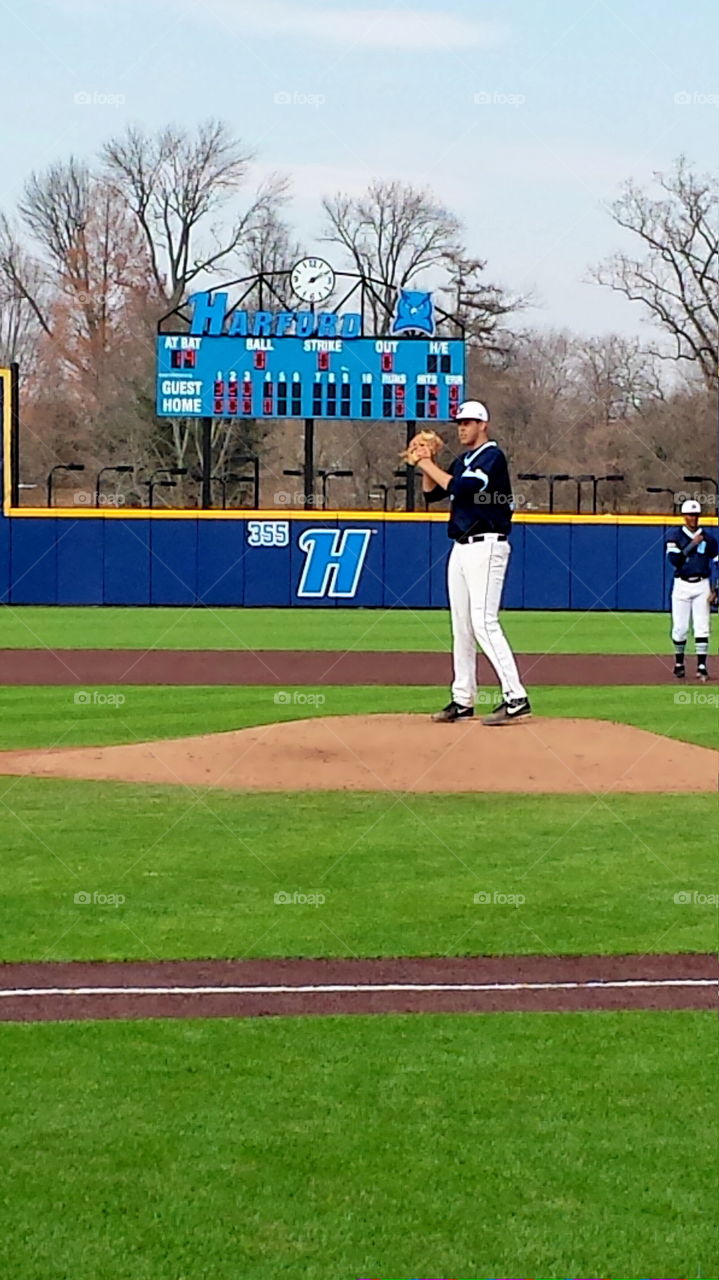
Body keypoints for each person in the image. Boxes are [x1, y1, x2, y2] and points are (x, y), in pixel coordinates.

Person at [413, 399, 531, 725]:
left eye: (467, 422)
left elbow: (462, 488)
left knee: (483, 622)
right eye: (459, 423)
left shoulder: (491, 456)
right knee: (461, 626)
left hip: (488, 545)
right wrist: (430, 462)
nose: (462, 427)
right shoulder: (463, 459)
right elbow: (432, 494)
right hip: (461, 547)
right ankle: (463, 699)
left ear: (483, 425)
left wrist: (425, 462)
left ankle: (516, 696)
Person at [666, 498, 719, 682]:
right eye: (690, 514)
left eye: (696, 515)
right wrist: (691, 545)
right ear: (684, 516)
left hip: (702, 583)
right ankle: (679, 662)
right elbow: (674, 561)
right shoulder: (675, 536)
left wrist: (716, 588)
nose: (693, 518)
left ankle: (702, 666)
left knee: (702, 626)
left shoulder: (709, 539)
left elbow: (718, 562)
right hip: (682, 583)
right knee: (680, 628)